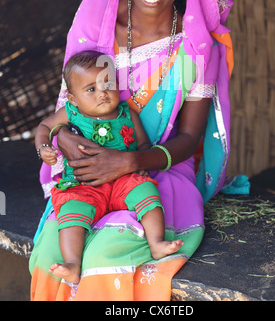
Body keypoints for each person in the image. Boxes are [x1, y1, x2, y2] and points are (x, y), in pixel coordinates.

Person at [29, 0, 234, 301]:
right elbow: (67, 105)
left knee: (109, 254)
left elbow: (189, 138)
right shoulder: (97, 23)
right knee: (53, 255)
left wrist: (130, 162)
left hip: (157, 171)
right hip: (86, 172)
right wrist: (67, 140)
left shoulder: (195, 45)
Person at [35, 50, 183, 284]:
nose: (102, 93)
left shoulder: (127, 114)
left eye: (108, 84)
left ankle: (156, 243)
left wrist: (141, 161)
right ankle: (73, 264)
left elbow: (144, 143)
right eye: (91, 89)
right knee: (71, 214)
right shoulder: (71, 113)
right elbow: (45, 126)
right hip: (83, 185)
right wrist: (44, 147)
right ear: (72, 99)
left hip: (123, 179)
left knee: (147, 191)